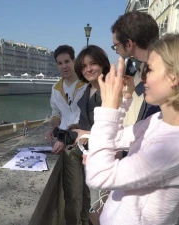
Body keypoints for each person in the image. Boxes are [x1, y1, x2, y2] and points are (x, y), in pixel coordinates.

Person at [85, 34, 179, 224]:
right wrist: (123, 101)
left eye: (149, 69)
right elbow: (117, 137)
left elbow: (99, 175)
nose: (143, 77)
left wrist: (108, 108)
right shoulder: (158, 119)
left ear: (174, 77)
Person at [44, 45, 88, 225]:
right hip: (68, 144)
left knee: (89, 189)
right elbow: (56, 114)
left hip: (87, 140)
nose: (64, 66)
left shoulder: (86, 84)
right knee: (72, 192)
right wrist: (53, 128)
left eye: (67, 61)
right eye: (60, 63)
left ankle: (86, 221)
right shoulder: (55, 89)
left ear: (74, 61)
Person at [71, 45, 112, 225]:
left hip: (107, 157)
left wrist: (87, 133)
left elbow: (115, 126)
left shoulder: (110, 89)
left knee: (102, 206)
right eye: (84, 66)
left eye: (93, 63)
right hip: (90, 156)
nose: (88, 69)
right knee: (94, 202)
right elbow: (88, 121)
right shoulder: (87, 90)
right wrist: (77, 127)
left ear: (103, 64)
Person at [110, 11, 160, 127]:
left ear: (128, 44)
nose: (116, 51)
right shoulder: (132, 66)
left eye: (116, 46)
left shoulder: (161, 77)